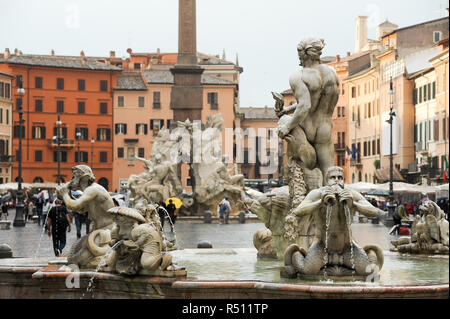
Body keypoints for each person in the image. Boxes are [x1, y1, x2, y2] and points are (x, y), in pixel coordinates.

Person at [274, 38, 339, 181]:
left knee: (297, 174)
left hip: (306, 129)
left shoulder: (299, 76)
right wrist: (287, 109)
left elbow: (305, 105)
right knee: (329, 179)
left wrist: (287, 126)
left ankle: (299, 201)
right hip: (325, 130)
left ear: (302, 55)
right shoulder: (332, 74)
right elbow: (315, 101)